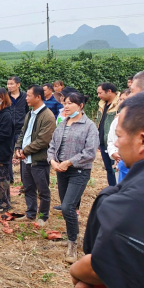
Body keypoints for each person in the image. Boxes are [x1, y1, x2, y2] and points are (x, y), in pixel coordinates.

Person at [71, 91, 144, 287]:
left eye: (119, 136)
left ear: (142, 141)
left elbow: (97, 267)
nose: (117, 143)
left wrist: (74, 270)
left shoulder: (132, 203)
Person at [47, 92, 98, 263]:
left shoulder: (89, 126)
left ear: (81, 105)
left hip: (79, 171)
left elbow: (90, 152)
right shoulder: (63, 123)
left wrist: (69, 162)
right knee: (65, 207)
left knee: (68, 206)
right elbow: (52, 145)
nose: (66, 107)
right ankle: (71, 234)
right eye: (65, 103)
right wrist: (52, 161)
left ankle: (73, 243)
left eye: (70, 103)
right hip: (61, 171)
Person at [15, 85, 56, 226]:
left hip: (38, 160)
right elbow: (23, 133)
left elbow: (43, 140)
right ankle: (30, 213)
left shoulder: (48, 116)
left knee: (43, 190)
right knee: (28, 188)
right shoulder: (30, 114)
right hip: (26, 159)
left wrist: (24, 151)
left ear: (38, 97)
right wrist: (18, 147)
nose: (26, 98)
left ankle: (43, 216)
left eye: (28, 95)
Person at [96, 82, 121, 186]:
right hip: (103, 142)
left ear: (109, 91)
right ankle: (112, 190)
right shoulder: (102, 104)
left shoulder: (119, 104)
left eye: (100, 93)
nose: (98, 96)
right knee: (109, 169)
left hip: (114, 143)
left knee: (116, 168)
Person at [8, 76, 29, 184]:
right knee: (8, 154)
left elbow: (27, 111)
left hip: (21, 130)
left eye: (12, 84)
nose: (9, 86)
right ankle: (9, 178)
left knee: (22, 154)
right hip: (8, 130)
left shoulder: (25, 96)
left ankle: (24, 180)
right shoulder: (6, 97)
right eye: (8, 84)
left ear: (18, 85)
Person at [106, 89, 131, 183]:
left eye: (125, 99)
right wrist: (114, 153)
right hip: (119, 163)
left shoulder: (142, 120)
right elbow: (111, 141)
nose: (121, 102)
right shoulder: (116, 120)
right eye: (120, 99)